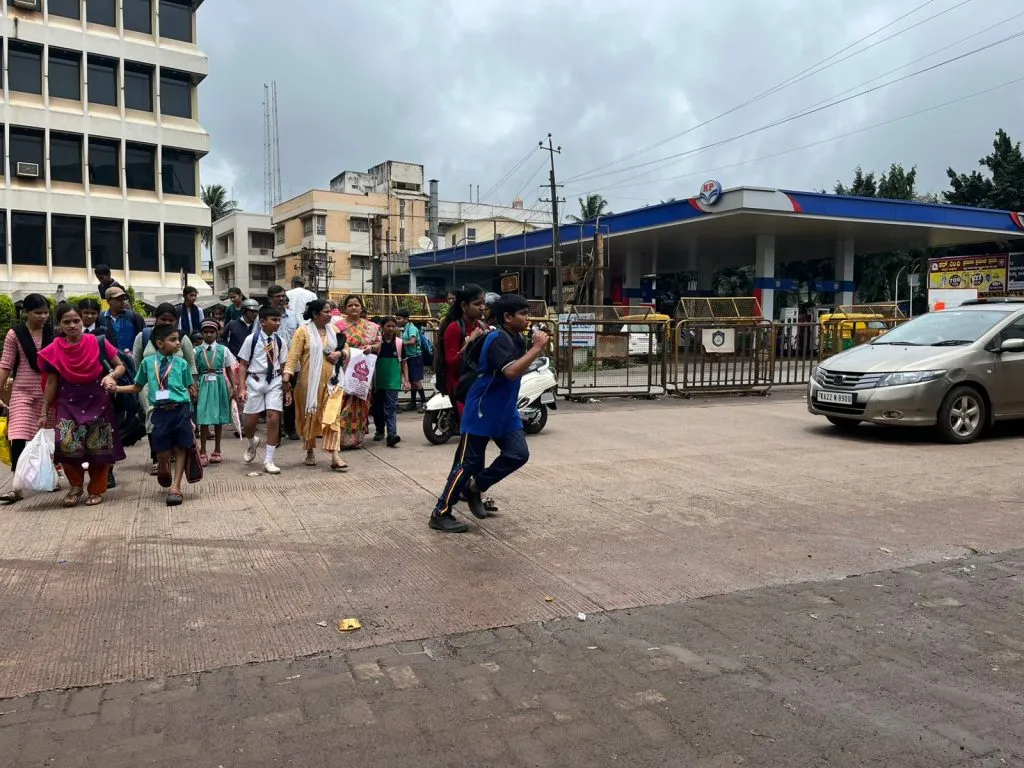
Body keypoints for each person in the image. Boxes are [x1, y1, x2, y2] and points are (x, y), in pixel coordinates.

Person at [429, 295, 549, 533]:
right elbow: (512, 371)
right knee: (468, 462)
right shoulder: (497, 340)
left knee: (518, 454)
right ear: (507, 317)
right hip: (483, 410)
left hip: (505, 411)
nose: (528, 318)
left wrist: (533, 348)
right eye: (523, 314)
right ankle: (440, 513)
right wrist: (537, 347)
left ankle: (474, 488)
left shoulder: (515, 338)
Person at [38, 303, 126, 508]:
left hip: (98, 401)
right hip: (67, 404)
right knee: (66, 447)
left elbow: (119, 365)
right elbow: (51, 382)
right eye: (66, 322)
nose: (72, 325)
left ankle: (96, 490)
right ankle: (75, 486)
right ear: (59, 325)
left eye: (76, 321)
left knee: (99, 449)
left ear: (83, 321)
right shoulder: (52, 350)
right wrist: (44, 412)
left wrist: (111, 376)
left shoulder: (99, 343)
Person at [109, 324, 197, 506]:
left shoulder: (181, 364)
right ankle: (164, 467)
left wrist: (193, 396)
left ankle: (176, 487)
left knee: (182, 447)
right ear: (160, 343)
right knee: (162, 449)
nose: (178, 343)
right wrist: (116, 388)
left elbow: (189, 387)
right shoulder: (147, 363)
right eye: (172, 340)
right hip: (159, 411)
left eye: (178, 339)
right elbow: (137, 387)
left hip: (180, 409)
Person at [0, 294, 54, 505]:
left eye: (46, 312)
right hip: (22, 392)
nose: (43, 317)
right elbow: (6, 364)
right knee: (19, 436)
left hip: (49, 392)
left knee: (48, 438)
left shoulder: (54, 332)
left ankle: (51, 476)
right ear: (26, 313)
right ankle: (17, 486)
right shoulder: (15, 334)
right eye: (37, 313)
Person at [282, 300, 349, 471]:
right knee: (309, 417)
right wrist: (286, 379)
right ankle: (310, 451)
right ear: (315, 314)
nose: (330, 314)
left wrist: (339, 353)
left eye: (330, 312)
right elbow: (293, 357)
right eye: (326, 312)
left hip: (333, 382)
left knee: (333, 417)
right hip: (308, 385)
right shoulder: (302, 332)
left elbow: (347, 349)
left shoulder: (334, 330)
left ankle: (335, 455)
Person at [134, 303, 199, 475]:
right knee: (152, 421)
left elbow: (191, 364)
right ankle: (157, 458)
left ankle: (172, 456)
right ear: (156, 319)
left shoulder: (182, 338)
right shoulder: (143, 336)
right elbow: (136, 361)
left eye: (171, 320)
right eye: (163, 319)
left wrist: (193, 386)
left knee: (177, 423)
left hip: (176, 389)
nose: (166, 322)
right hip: (150, 387)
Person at [237, 305, 289, 474]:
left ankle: (269, 459)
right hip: (255, 380)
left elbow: (283, 366)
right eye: (274, 320)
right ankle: (252, 441)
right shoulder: (251, 340)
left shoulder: (280, 341)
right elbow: (243, 364)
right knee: (249, 423)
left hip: (274, 380)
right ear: (263, 322)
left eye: (279, 320)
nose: (278, 323)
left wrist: (287, 388)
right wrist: (242, 387)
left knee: (274, 418)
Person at [332, 295, 380, 449]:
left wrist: (370, 348)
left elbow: (379, 344)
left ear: (361, 308)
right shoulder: (337, 326)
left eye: (356, 305)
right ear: (345, 309)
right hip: (343, 369)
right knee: (342, 402)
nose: (354, 308)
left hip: (362, 369)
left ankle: (357, 438)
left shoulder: (371, 327)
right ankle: (341, 439)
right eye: (350, 305)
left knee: (361, 402)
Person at [437, 284, 488, 415]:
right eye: (477, 304)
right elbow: (452, 362)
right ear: (464, 306)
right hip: (460, 385)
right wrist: (470, 342)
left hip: (480, 382)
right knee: (471, 429)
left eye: (483, 303)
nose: (482, 307)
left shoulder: (482, 326)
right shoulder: (454, 328)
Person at [195, 320, 236, 466]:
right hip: (203, 383)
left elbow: (229, 370)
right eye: (205, 331)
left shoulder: (223, 350)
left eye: (212, 332)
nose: (208, 334)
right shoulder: (197, 351)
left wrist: (234, 387)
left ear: (217, 333)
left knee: (219, 417)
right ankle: (203, 450)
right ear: (202, 333)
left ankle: (217, 449)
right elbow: (194, 371)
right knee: (204, 417)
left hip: (219, 383)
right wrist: (194, 388)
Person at [268, 285, 300, 441]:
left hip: (291, 363)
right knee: (275, 397)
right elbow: (257, 338)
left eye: (283, 296)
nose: (281, 299)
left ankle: (290, 428)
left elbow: (301, 337)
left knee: (291, 396)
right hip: (271, 364)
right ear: (270, 299)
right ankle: (276, 431)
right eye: (277, 296)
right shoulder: (265, 315)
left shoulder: (293, 316)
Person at [372, 317, 407, 447]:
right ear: (382, 327)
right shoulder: (377, 342)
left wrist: (406, 380)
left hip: (393, 380)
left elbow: (404, 362)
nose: (391, 328)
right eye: (388, 326)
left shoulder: (399, 343)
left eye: (393, 326)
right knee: (377, 407)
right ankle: (379, 430)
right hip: (377, 380)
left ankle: (392, 434)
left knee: (391, 408)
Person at [396, 309, 426, 412]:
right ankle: (413, 403)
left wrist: (400, 343)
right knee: (413, 381)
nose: (397, 320)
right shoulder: (406, 328)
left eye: (399, 318)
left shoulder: (412, 328)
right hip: (410, 357)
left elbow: (412, 341)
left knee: (416, 381)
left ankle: (424, 402)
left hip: (415, 357)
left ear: (406, 319)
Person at [101, 286, 144, 356]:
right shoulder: (101, 318)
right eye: (118, 300)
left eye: (123, 299)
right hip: (111, 359)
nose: (122, 302)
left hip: (132, 358)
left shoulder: (133, 316)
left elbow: (143, 337)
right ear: (108, 301)